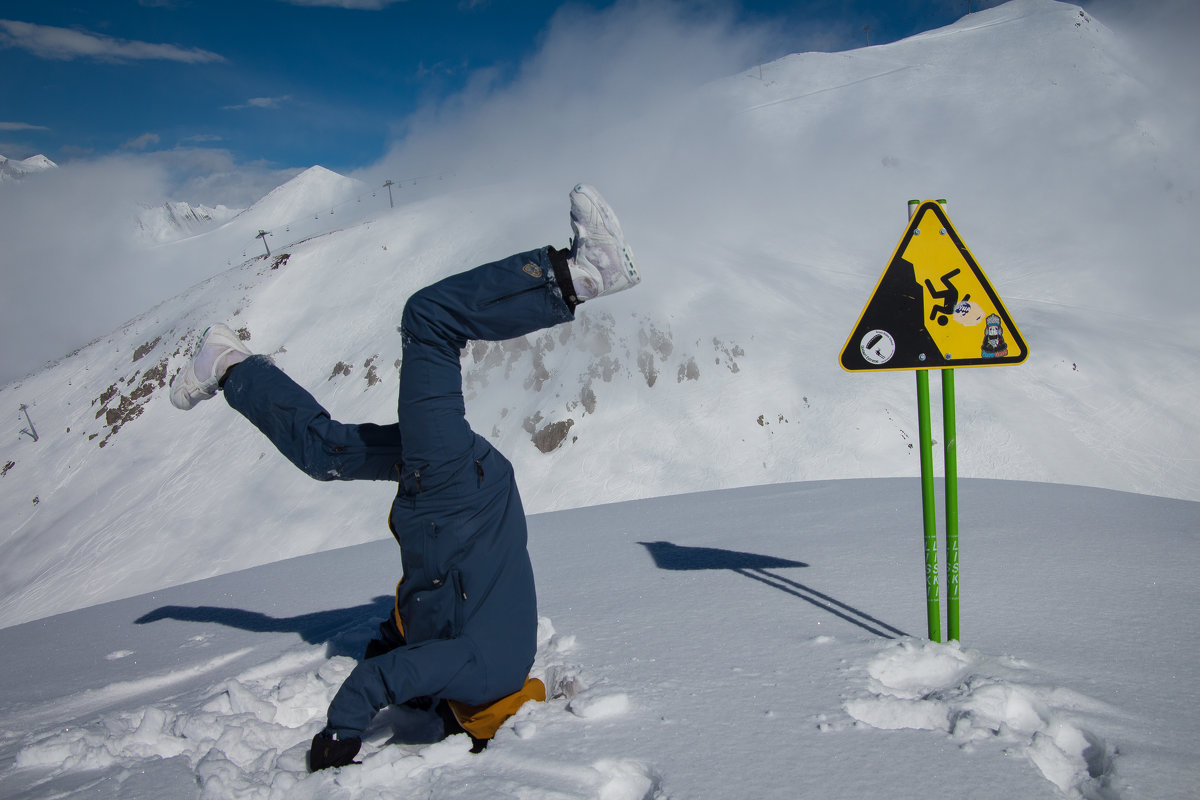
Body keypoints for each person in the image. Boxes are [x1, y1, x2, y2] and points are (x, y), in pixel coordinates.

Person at [169, 184, 640, 772]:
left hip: (454, 489)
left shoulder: (491, 667)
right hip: (451, 487)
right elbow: (385, 678)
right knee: (429, 319)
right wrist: (339, 735)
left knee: (327, 452)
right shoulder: (484, 673)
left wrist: (394, 639)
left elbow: (423, 618)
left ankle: (227, 364)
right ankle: (580, 275)